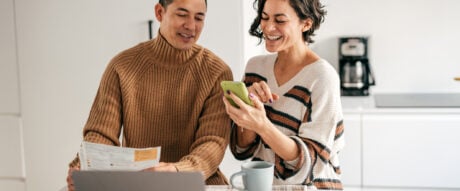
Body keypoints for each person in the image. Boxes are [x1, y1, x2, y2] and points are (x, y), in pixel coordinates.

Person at [66, 0, 233, 190]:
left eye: (199, 17)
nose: (191, 26)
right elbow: (100, 134)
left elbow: (213, 142)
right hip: (138, 183)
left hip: (197, 182)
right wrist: (85, 165)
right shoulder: (121, 66)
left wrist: (178, 171)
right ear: (159, 12)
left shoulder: (217, 72)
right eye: (182, 14)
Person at [222, 0, 344, 190]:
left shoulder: (322, 77)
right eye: (264, 17)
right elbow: (242, 150)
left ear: (306, 23)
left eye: (280, 20)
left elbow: (309, 165)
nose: (269, 27)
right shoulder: (255, 67)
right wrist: (249, 112)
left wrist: (262, 125)